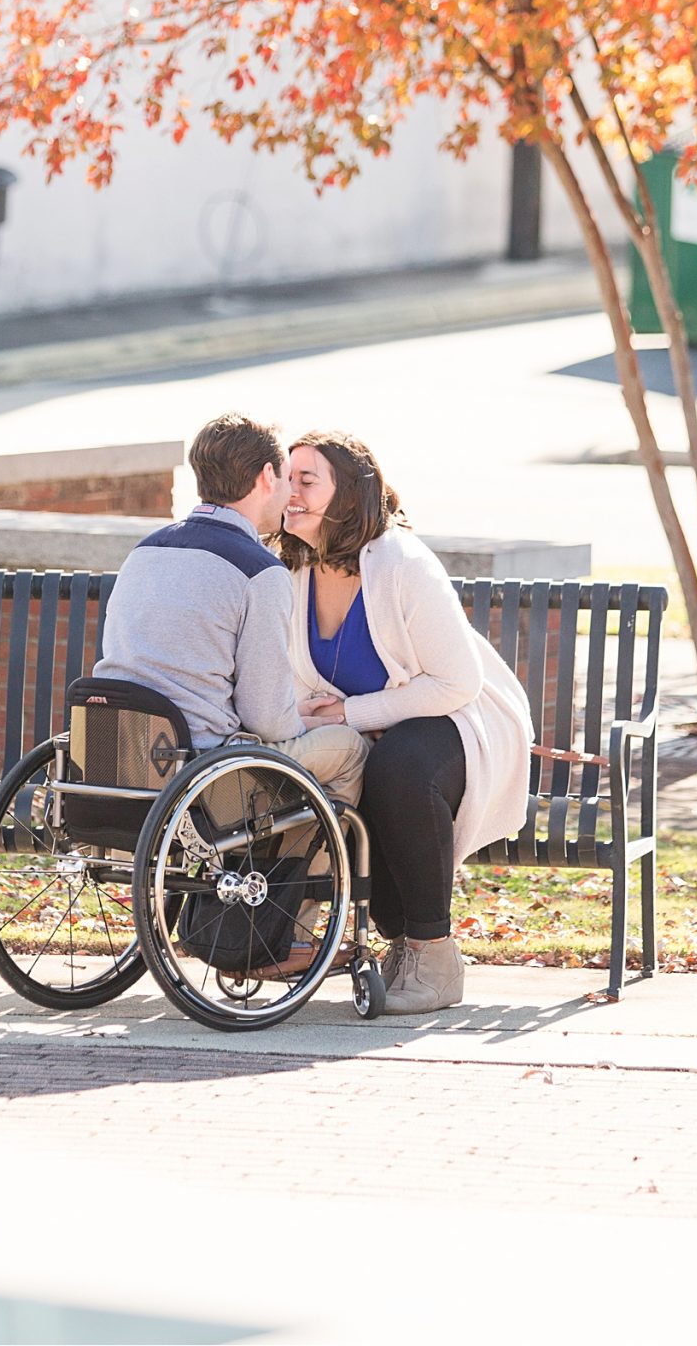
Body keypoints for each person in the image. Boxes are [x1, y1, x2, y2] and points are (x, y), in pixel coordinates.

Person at [278, 430, 532, 1014]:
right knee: (357, 770)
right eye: (287, 480)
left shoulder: (402, 563)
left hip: (461, 720)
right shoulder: (291, 568)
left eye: (307, 480)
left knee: (399, 768)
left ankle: (435, 957)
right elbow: (300, 678)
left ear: (348, 494)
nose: (291, 492)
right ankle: (393, 940)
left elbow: (456, 683)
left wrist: (350, 712)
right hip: (376, 731)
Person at [94, 411, 368, 808]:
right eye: (287, 477)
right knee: (347, 748)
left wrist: (292, 716)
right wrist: (298, 721)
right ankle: (307, 869)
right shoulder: (258, 571)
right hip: (202, 772)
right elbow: (266, 720)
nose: (290, 492)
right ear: (265, 477)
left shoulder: (145, 551)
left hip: (119, 756)